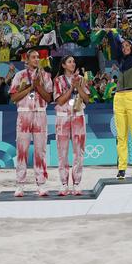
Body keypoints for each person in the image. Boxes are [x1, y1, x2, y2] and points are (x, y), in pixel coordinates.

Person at [9, 49, 53, 197]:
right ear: (26, 60)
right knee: (22, 150)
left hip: (40, 113)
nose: (36, 60)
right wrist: (30, 87)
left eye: (37, 57)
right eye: (33, 57)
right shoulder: (19, 76)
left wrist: (38, 86)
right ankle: (20, 185)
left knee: (40, 151)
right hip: (24, 114)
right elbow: (14, 98)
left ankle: (41, 184)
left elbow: (48, 98)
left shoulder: (45, 76)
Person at [108, 31, 132, 180]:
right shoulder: (120, 61)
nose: (124, 47)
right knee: (121, 135)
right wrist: (110, 33)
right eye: (123, 46)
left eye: (127, 45)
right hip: (118, 97)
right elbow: (113, 47)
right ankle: (122, 168)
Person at [52, 56, 90, 195]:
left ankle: (77, 183)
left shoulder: (81, 78)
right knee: (62, 153)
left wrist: (78, 85)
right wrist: (72, 87)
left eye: (74, 62)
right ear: (63, 65)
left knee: (79, 152)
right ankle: (63, 184)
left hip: (78, 116)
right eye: (69, 62)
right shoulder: (58, 80)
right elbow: (60, 101)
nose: (72, 64)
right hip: (62, 118)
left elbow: (86, 98)